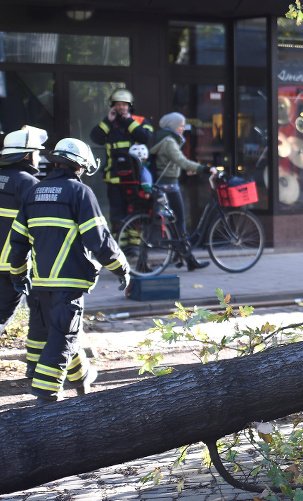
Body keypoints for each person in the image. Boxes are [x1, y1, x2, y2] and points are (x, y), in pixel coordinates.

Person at [8, 137, 131, 405]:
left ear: (55, 162)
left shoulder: (34, 192)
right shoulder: (80, 193)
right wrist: (121, 267)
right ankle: (46, 396)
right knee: (63, 337)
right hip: (70, 282)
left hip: (41, 285)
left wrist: (19, 275)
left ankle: (82, 376)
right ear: (81, 167)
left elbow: (17, 242)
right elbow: (98, 240)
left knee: (62, 332)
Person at [149, 112, 215, 271]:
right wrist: (204, 169)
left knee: (175, 222)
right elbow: (181, 161)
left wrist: (185, 170)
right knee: (180, 222)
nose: (183, 128)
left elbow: (171, 163)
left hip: (167, 183)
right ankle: (190, 259)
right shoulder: (169, 141)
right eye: (181, 125)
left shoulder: (165, 139)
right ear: (172, 126)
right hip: (169, 186)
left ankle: (179, 255)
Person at [0, 126, 46, 340]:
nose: (39, 157)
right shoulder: (29, 184)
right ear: (27, 155)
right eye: (37, 152)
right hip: (10, 268)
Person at [89, 88, 154, 233]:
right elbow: (95, 137)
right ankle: (120, 246)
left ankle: (135, 247)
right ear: (113, 106)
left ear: (130, 105)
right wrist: (108, 120)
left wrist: (128, 121)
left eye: (124, 104)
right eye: (118, 104)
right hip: (114, 178)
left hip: (135, 178)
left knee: (136, 211)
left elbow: (146, 138)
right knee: (117, 214)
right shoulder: (109, 123)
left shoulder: (140, 121)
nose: (121, 107)